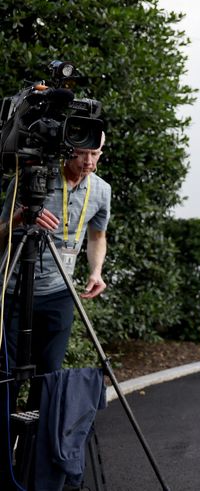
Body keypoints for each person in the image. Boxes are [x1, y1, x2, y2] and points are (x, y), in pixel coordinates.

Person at [0, 135, 110, 486]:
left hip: (60, 293)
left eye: (96, 153)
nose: (89, 161)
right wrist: (19, 219)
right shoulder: (32, 180)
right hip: (15, 289)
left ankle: (37, 466)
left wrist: (96, 271)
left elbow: (97, 236)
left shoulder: (102, 191)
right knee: (4, 380)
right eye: (83, 154)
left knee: (48, 379)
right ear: (68, 150)